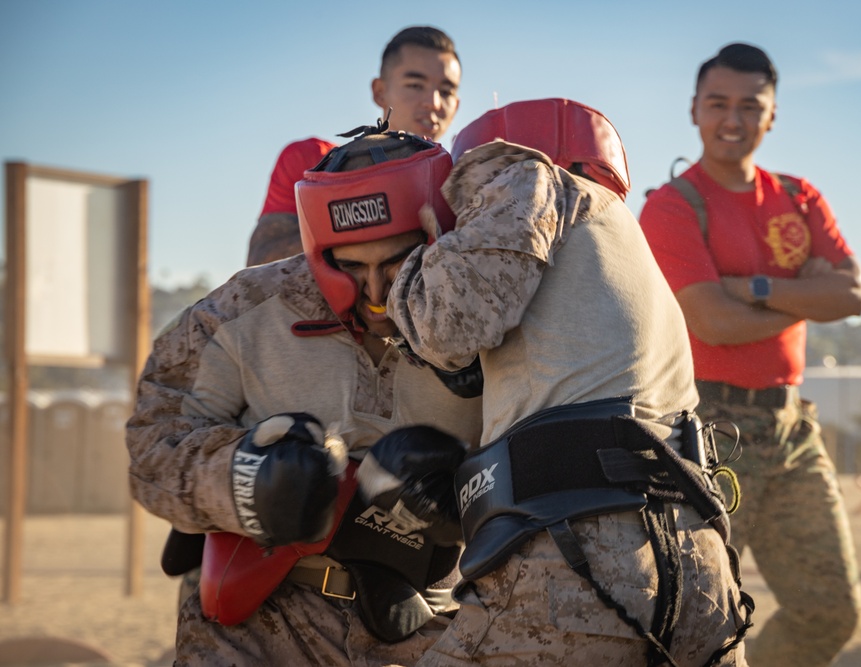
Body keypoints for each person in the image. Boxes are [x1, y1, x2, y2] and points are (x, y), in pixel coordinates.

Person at [371, 98, 752, 666]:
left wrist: (411, 268)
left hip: (578, 555)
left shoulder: (525, 176)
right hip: (698, 562)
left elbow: (447, 324)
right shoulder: (621, 236)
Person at [127, 127, 482, 665]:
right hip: (252, 629)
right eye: (351, 266)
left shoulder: (496, 318)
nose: (378, 294)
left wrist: (466, 493)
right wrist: (241, 478)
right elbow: (151, 444)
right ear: (320, 248)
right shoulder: (245, 308)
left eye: (398, 264)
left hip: (426, 631)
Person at [638, 43, 861, 666]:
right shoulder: (671, 206)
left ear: (773, 117)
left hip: (794, 430)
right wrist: (808, 295)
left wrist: (755, 289)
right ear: (693, 110)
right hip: (708, 432)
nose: (732, 119)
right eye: (718, 104)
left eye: (750, 106)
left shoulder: (798, 197)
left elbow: (853, 294)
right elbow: (712, 321)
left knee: (831, 612)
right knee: (694, 619)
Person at [247, 25, 462, 266]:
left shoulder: (468, 186)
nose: (433, 103)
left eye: (445, 91)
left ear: (456, 105)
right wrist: (374, 212)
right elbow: (260, 262)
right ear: (380, 92)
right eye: (415, 85)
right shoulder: (312, 162)